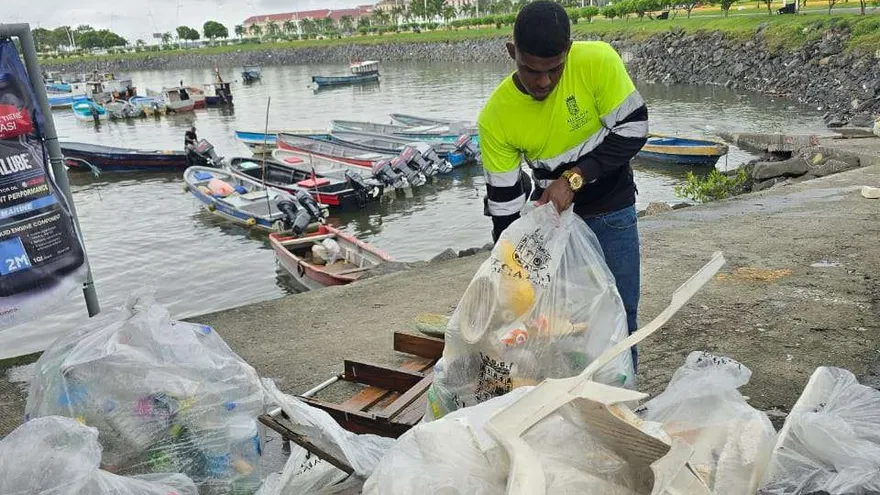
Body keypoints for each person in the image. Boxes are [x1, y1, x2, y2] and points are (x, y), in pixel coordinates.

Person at [479, 1, 648, 368]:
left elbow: (634, 130)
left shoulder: (597, 61)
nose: (543, 82)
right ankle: (573, 406)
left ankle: (622, 397)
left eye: (554, 70)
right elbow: (505, 206)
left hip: (613, 210)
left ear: (568, 52)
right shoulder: (496, 117)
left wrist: (573, 178)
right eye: (530, 70)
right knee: (561, 324)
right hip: (555, 227)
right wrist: (509, 270)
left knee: (620, 311)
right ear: (512, 53)